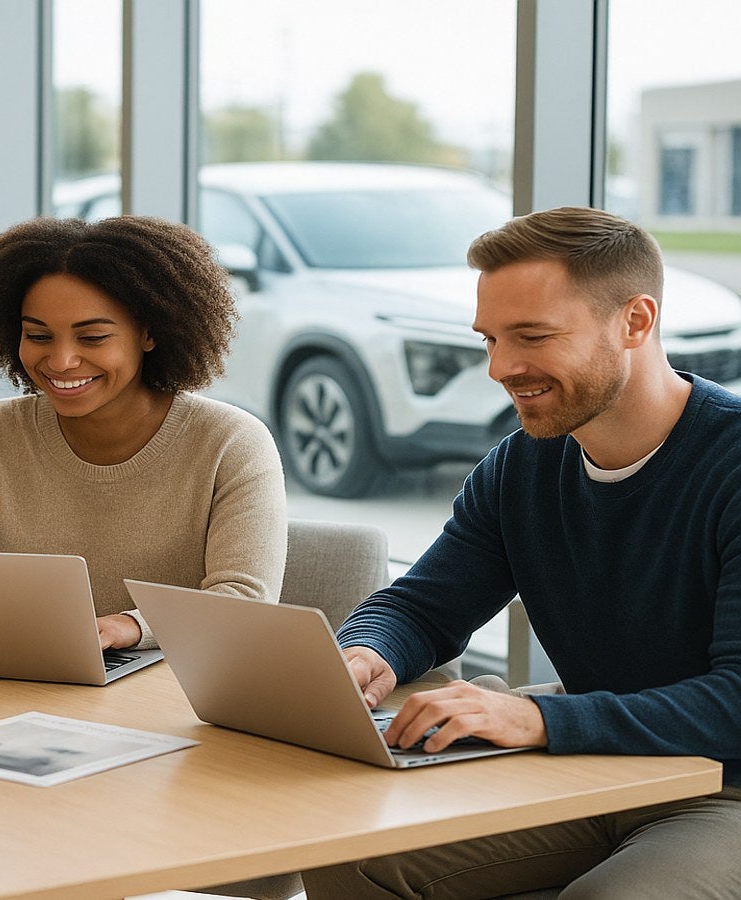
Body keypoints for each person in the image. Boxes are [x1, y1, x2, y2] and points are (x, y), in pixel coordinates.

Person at [304, 207, 741, 899]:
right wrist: (366, 652)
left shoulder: (730, 465)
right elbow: (423, 607)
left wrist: (538, 719)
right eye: (491, 339)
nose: (500, 368)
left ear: (635, 321)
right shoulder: (523, 466)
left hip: (725, 786)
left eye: (532, 336)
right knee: (348, 850)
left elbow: (736, 702)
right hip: (599, 764)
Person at [0, 215, 286, 650]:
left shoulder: (232, 442)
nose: (61, 361)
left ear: (149, 333)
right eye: (38, 336)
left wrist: (130, 627)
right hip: (37, 670)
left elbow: (245, 600)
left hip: (177, 680)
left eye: (91, 338)